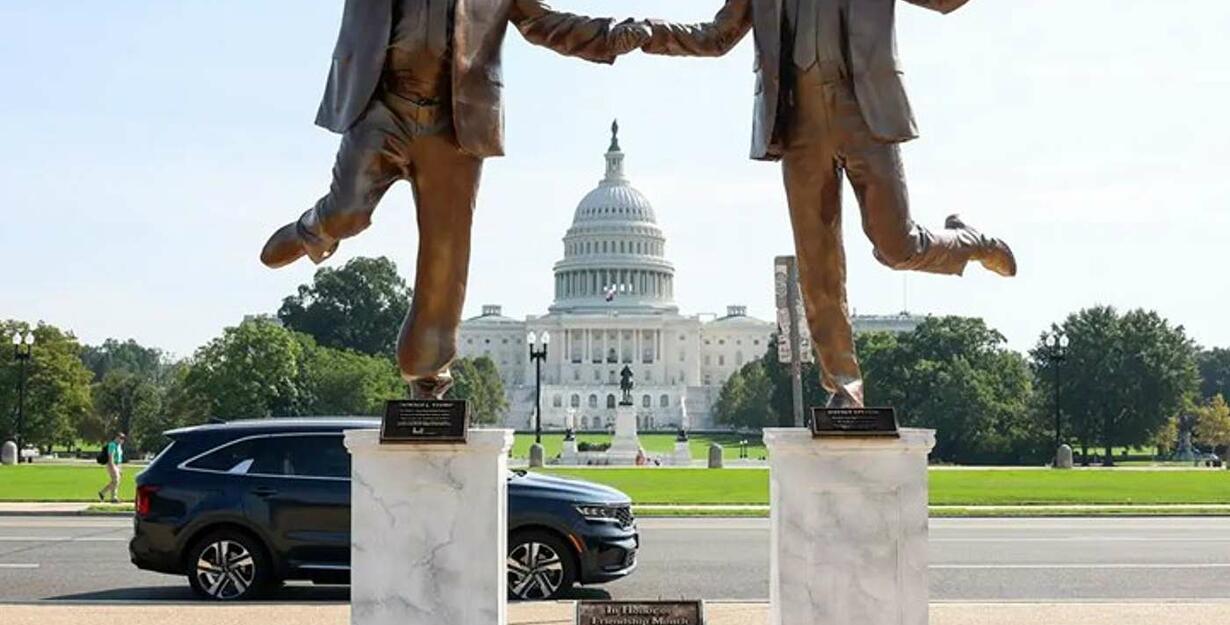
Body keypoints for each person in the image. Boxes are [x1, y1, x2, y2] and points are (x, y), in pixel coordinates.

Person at [259, 0, 650, 399]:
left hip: (453, 124)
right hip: (383, 107)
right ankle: (316, 228)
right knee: (348, 213)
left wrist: (609, 38)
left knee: (445, 254)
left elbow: (545, 23)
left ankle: (427, 369)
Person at [638, 0, 1016, 408]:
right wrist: (646, 33)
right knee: (817, 264)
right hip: (799, 126)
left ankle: (972, 242)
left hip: (865, 113)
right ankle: (844, 385)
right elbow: (715, 37)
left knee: (896, 246)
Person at [98, 433, 125, 503]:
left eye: (123, 439)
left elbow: (119, 457)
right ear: (117, 437)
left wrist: (120, 468)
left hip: (117, 464)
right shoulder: (112, 445)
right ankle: (113, 498)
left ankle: (102, 493)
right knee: (116, 480)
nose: (122, 440)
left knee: (115, 481)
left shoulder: (119, 446)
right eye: (121, 438)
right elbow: (111, 456)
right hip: (112, 464)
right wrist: (112, 466)